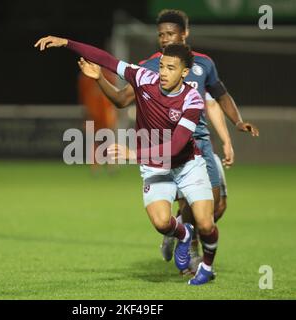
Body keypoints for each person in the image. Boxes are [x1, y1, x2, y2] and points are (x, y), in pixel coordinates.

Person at [75, 9, 259, 273]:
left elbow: (219, 96)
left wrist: (237, 124)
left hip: (199, 143)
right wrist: (100, 78)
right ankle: (189, 251)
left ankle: (180, 234)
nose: (165, 39)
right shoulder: (149, 66)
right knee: (187, 207)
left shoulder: (203, 64)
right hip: (164, 147)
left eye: (170, 33)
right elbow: (120, 100)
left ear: (185, 33)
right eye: (161, 34)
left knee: (215, 209)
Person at [34, 35, 219, 285]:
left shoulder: (192, 99)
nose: (163, 72)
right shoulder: (143, 77)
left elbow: (176, 147)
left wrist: (133, 154)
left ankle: (206, 268)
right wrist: (66, 43)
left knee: (207, 224)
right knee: (163, 223)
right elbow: (106, 60)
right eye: (162, 65)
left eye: (171, 68)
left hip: (188, 165)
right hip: (155, 166)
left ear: (185, 72)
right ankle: (184, 234)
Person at [77, 68, 118, 173]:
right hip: (93, 111)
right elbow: (83, 96)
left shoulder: (108, 75)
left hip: (104, 111)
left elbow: (115, 94)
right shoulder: (85, 78)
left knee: (108, 138)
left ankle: (110, 164)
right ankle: (95, 165)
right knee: (94, 139)